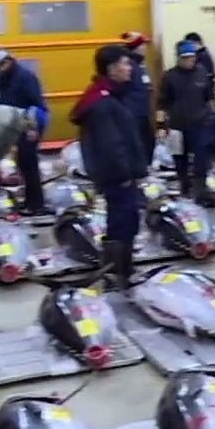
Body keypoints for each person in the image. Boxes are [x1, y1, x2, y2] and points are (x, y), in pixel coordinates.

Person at [70, 45, 150, 288]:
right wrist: (125, 175)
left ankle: (123, 269)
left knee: (125, 222)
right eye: (126, 64)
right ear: (112, 68)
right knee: (122, 223)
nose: (130, 69)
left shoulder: (111, 96)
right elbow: (111, 145)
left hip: (121, 176)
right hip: (118, 178)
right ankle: (117, 274)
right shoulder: (103, 103)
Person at [0, 49, 49, 215]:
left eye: (0, 66)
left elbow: (36, 103)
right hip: (17, 124)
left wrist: (32, 128)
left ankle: (37, 205)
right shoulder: (4, 78)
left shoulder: (25, 77)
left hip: (31, 123)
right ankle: (29, 201)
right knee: (22, 163)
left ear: (8, 62)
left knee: (29, 164)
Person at [157, 40, 215, 198]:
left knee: (201, 159)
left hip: (200, 124)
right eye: (186, 58)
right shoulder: (169, 77)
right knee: (179, 160)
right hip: (177, 126)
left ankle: (201, 190)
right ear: (179, 58)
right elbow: (161, 103)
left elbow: (209, 98)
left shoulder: (202, 72)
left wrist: (214, 118)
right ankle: (185, 187)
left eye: (192, 57)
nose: (190, 60)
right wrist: (160, 126)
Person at [121, 31, 156, 163]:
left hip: (142, 112)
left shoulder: (140, 65)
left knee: (148, 143)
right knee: (139, 145)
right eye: (142, 45)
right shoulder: (130, 66)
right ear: (137, 47)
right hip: (133, 113)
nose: (145, 48)